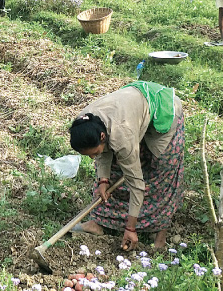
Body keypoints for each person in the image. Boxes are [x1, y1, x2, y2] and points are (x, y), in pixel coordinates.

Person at [68, 81, 185, 250]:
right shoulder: (84, 123)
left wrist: (130, 229)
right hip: (131, 112)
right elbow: (103, 153)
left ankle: (160, 235)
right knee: (115, 168)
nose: (93, 157)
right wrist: (103, 181)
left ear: (102, 136)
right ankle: (99, 223)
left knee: (160, 171)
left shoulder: (121, 135)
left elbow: (137, 185)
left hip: (164, 112)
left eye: (93, 153)